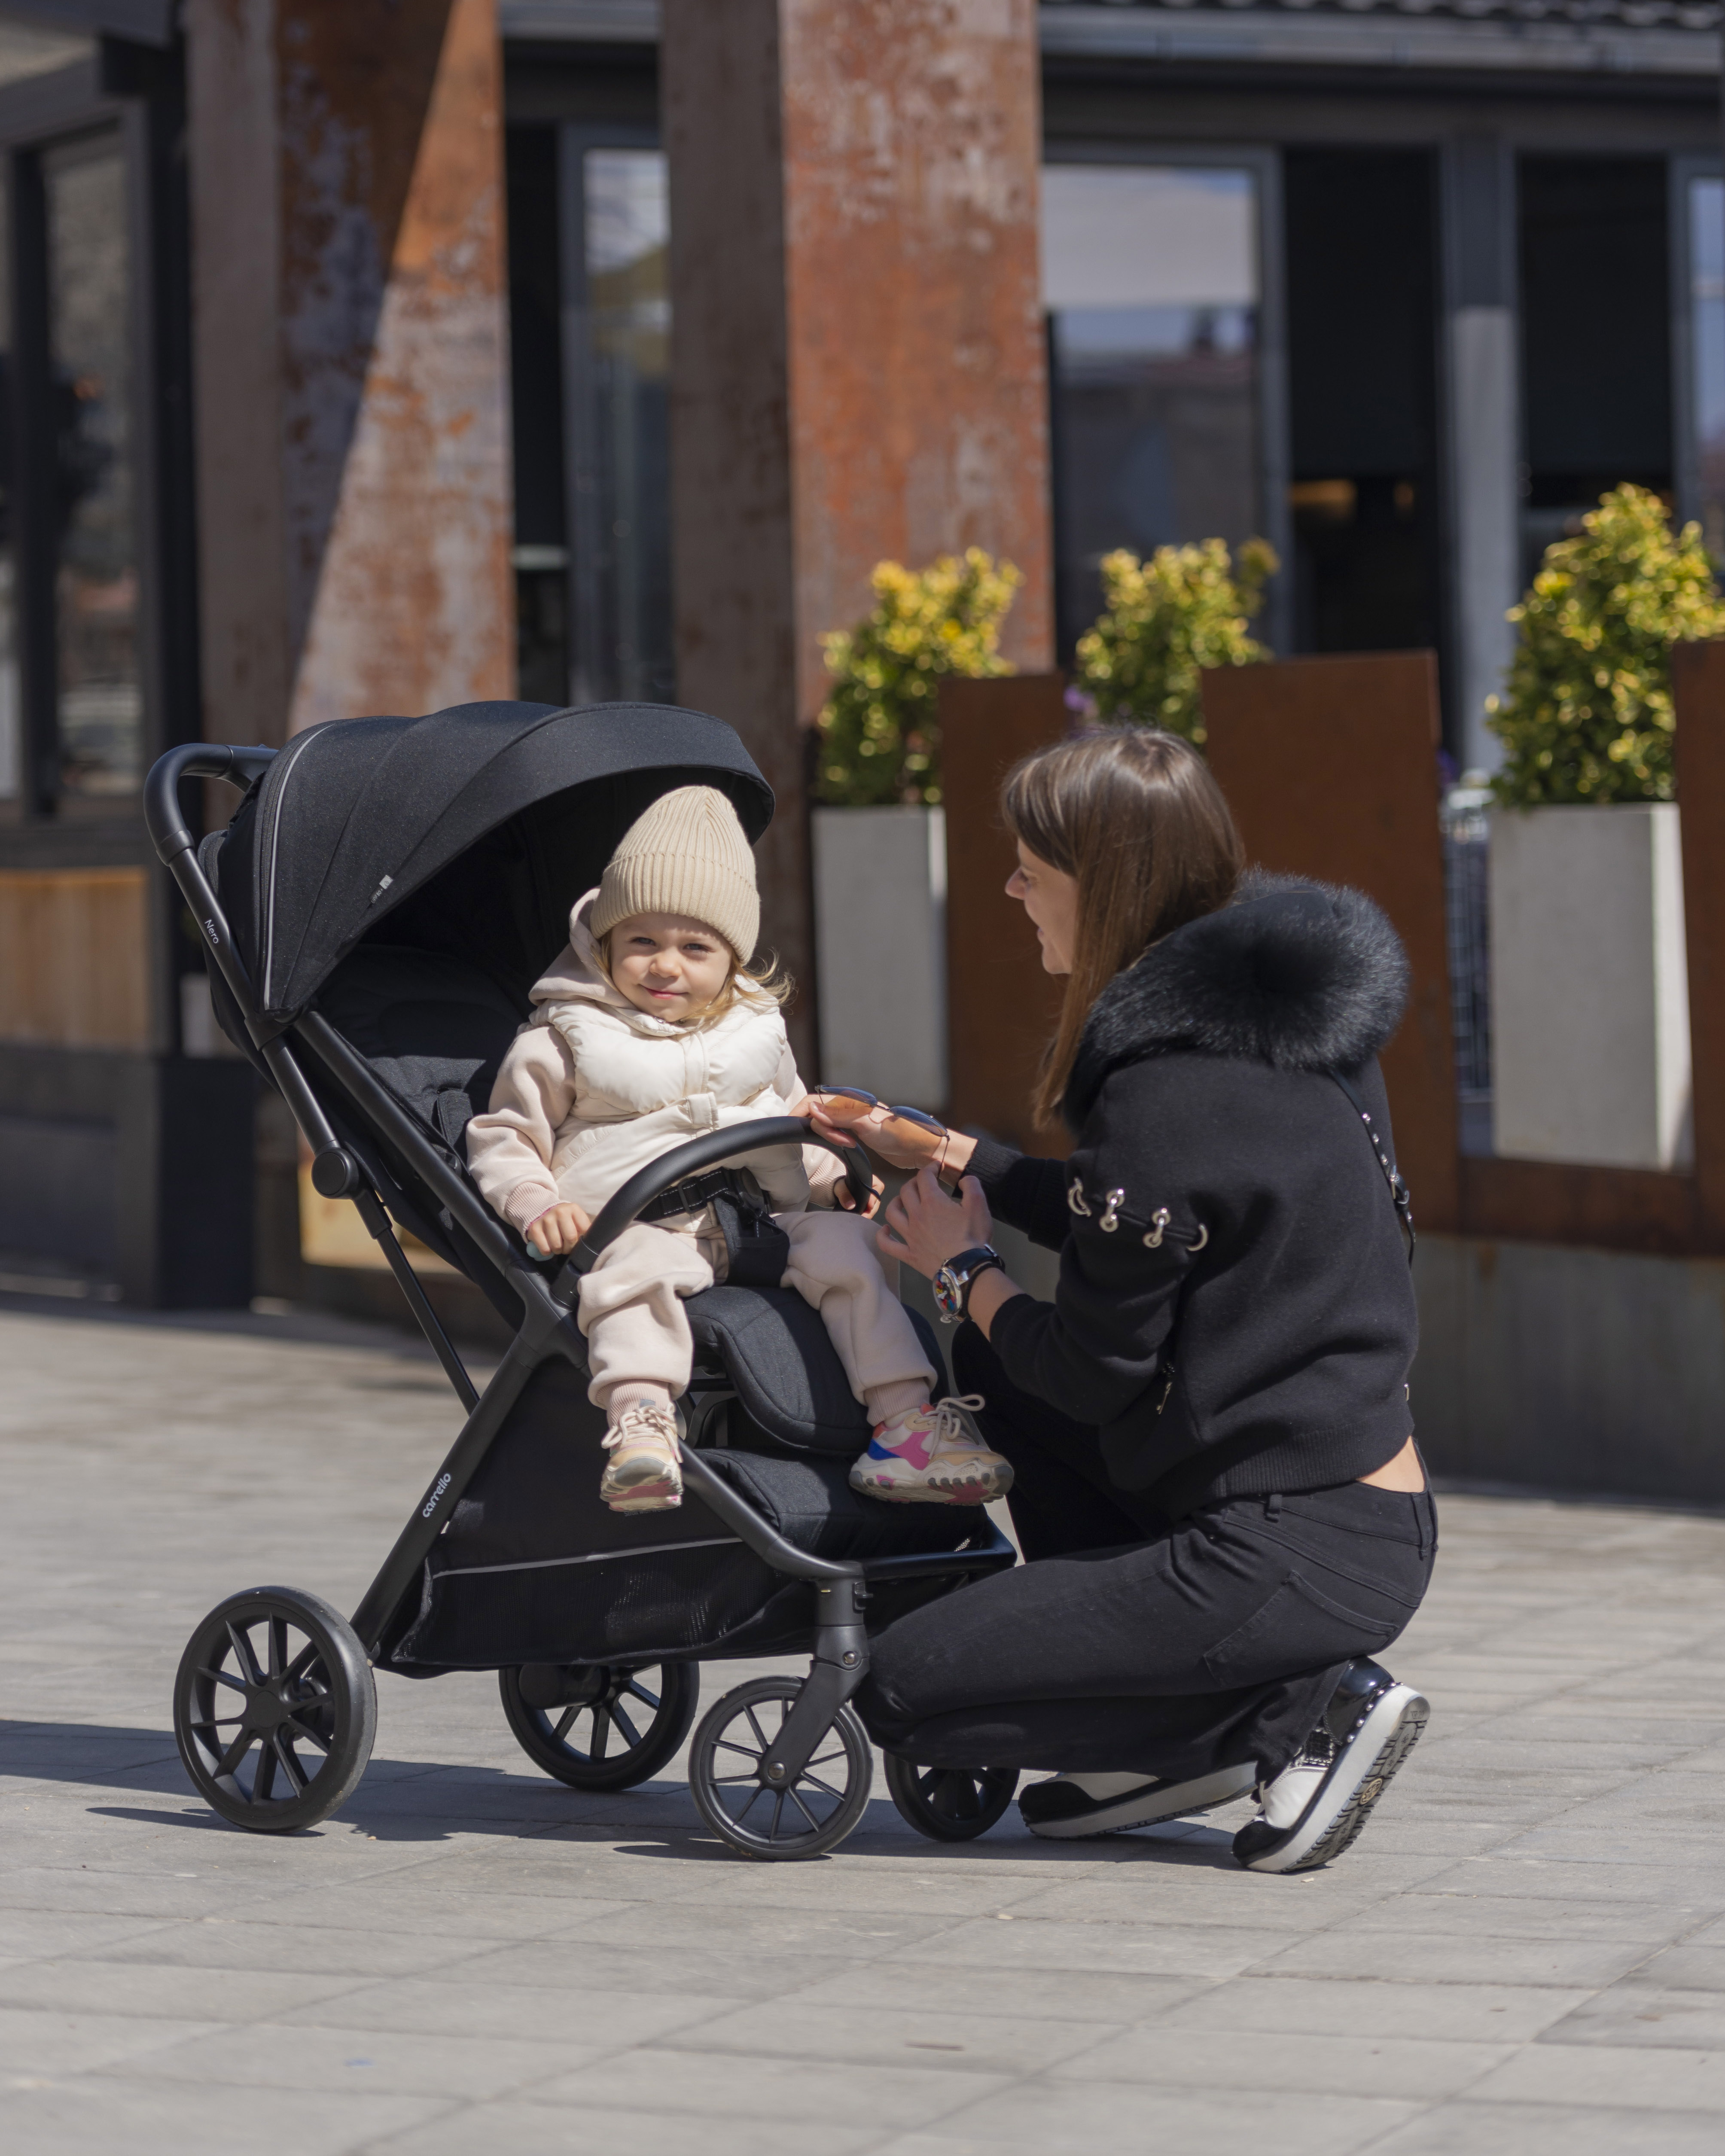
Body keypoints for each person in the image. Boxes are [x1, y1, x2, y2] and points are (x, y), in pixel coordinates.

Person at [812, 728, 1435, 1875]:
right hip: (1338, 1507)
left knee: (903, 1686)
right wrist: (953, 1152)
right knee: (992, 1370)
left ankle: (1295, 1711)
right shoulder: (1280, 1027)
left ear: (1103, 888)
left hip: (1285, 1544)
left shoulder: (1167, 1091)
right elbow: (1134, 1214)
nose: (1009, 889)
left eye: (1029, 871)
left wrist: (962, 1270)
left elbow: (1096, 1369)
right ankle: (1169, 1749)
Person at [465, 785, 1012, 1515]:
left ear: (733, 960)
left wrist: (833, 1181)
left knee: (850, 1248)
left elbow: (787, 1119)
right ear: (603, 941)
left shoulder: (758, 1032)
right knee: (630, 1280)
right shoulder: (563, 1037)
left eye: (695, 949)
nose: (665, 967)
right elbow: (505, 1137)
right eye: (641, 943)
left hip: (761, 1219)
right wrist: (538, 1203)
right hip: (644, 1223)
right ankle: (641, 1426)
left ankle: (905, 1425)